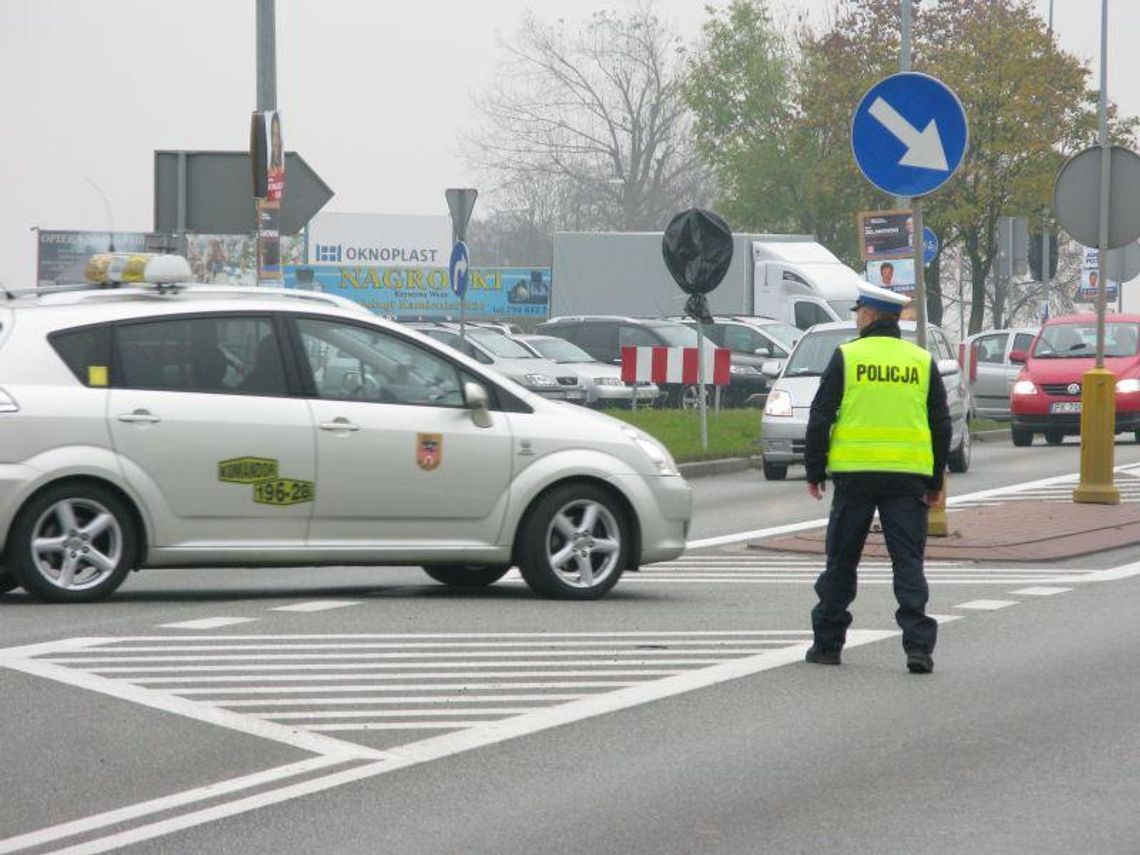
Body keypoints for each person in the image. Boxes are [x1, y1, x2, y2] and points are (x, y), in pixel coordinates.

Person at [803, 281, 952, 674]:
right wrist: (936, 480)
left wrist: (814, 470)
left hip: (855, 476)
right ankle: (918, 648)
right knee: (907, 564)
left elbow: (820, 416)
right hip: (907, 478)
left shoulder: (847, 357)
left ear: (868, 315)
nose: (856, 318)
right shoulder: (920, 361)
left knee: (841, 562)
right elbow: (940, 424)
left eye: (857, 313)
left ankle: (828, 644)